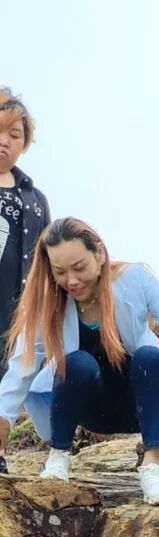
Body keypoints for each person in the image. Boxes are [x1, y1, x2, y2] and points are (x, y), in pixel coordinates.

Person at [0, 218, 159, 505]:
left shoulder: (135, 279)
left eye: (79, 267)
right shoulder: (48, 301)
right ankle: (58, 460)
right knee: (76, 362)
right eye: (60, 272)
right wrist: (3, 418)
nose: (72, 281)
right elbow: (22, 366)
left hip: (142, 404)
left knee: (149, 355)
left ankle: (152, 468)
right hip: (89, 409)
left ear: (98, 254)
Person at [0, 89, 49, 380]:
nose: (4, 140)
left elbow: (48, 259)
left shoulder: (36, 200)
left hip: (19, 320)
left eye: (14, 134)